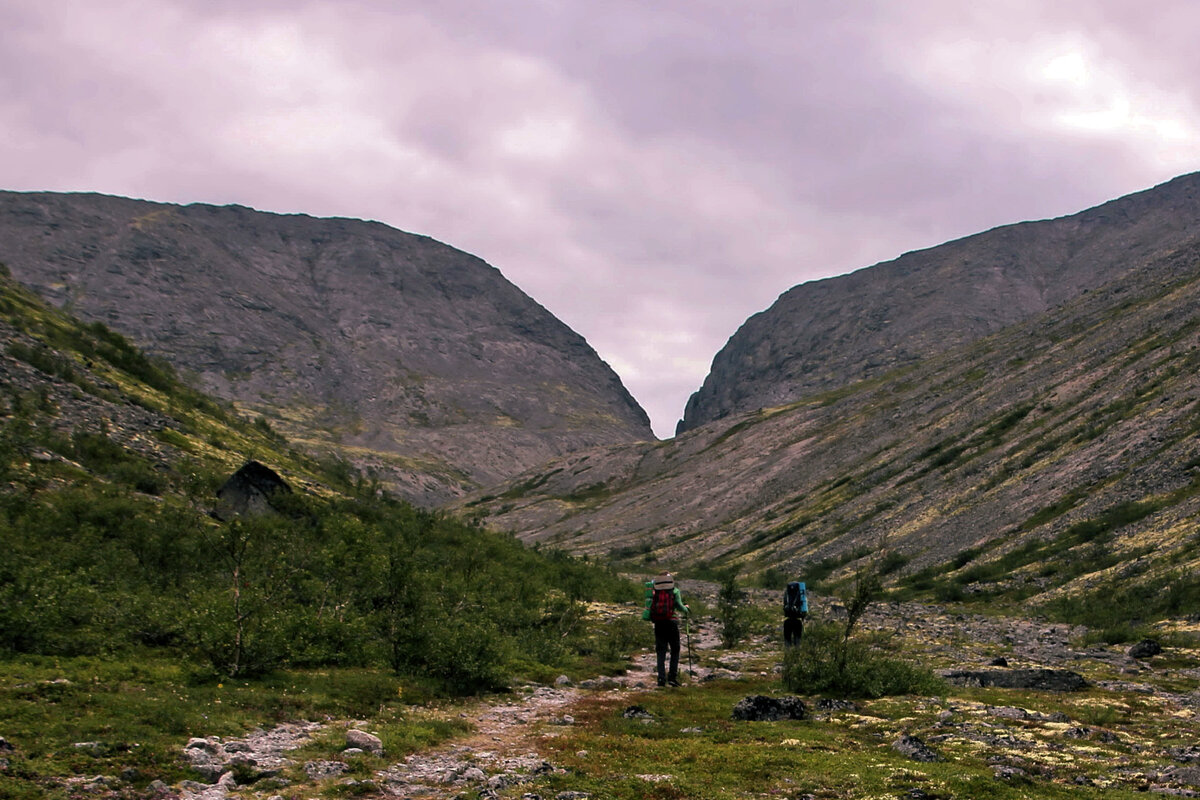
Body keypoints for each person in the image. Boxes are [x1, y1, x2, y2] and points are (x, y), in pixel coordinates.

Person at [643, 570, 689, 687]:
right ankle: (672, 678)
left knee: (661, 651)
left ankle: (661, 679)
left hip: (658, 623)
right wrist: (686, 608)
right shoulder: (674, 591)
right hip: (671, 622)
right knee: (675, 649)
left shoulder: (654, 591)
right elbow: (680, 607)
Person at [783, 580, 807, 647]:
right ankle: (797, 654)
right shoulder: (800, 595)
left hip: (788, 620)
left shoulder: (787, 595)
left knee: (787, 639)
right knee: (798, 639)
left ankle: (788, 654)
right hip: (798, 620)